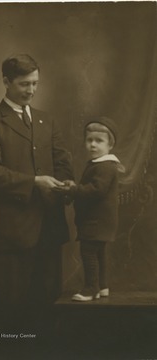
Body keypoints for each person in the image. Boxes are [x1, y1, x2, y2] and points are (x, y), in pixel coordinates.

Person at [0, 54, 74, 328]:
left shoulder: (46, 121)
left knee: (49, 309)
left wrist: (65, 182)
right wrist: (35, 182)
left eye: (35, 83)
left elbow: (62, 161)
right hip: (12, 235)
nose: (31, 90)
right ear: (6, 82)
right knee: (13, 313)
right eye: (24, 84)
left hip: (50, 229)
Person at [54, 117, 124, 301]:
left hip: (97, 221)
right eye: (89, 140)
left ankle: (90, 288)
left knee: (89, 252)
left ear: (110, 145)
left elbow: (96, 190)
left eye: (99, 141)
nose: (93, 145)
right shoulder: (99, 164)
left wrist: (74, 189)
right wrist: (74, 187)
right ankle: (102, 286)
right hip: (98, 220)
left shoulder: (106, 166)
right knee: (99, 252)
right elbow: (91, 187)